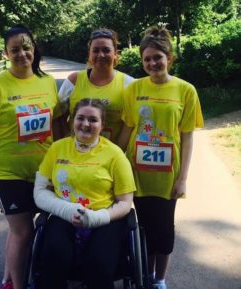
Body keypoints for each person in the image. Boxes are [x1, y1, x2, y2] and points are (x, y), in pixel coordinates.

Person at [0, 24, 62, 289]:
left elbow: (56, 124)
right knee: (23, 231)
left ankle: (8, 278)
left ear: (34, 48)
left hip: (43, 170)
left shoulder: (46, 82)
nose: (22, 53)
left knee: (27, 230)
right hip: (7, 172)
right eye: (15, 50)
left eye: (26, 47)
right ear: (5, 54)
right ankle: (18, 285)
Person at [117, 26, 204, 289]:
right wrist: (111, 161)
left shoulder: (185, 90)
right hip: (137, 172)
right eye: (147, 59)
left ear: (169, 58)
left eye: (158, 57)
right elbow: (128, 129)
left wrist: (183, 178)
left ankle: (159, 279)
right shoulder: (134, 89)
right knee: (142, 227)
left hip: (167, 175)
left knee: (164, 230)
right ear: (142, 61)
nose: (152, 63)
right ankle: (144, 273)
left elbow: (187, 137)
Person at [33, 98, 136, 289]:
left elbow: (125, 202)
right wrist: (67, 209)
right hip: (64, 214)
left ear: (102, 125)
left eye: (93, 120)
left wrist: (96, 218)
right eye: (80, 118)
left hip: (104, 218)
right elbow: (40, 191)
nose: (86, 124)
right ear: (73, 121)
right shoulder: (57, 148)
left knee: (98, 262)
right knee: (54, 255)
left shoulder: (115, 154)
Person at [58, 28, 134, 142]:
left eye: (106, 50)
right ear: (89, 53)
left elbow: (128, 126)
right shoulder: (74, 80)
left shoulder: (128, 84)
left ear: (115, 54)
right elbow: (59, 117)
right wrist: (67, 142)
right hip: (75, 154)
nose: (101, 55)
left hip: (110, 156)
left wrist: (116, 154)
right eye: (96, 50)